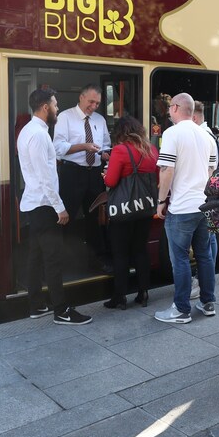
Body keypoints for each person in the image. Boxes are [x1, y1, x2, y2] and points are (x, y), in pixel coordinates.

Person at [17, 88, 91, 325]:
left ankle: (36, 304)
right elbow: (44, 177)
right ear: (45, 107)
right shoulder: (38, 135)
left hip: (35, 203)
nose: (58, 108)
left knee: (36, 257)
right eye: (56, 105)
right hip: (44, 205)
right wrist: (60, 208)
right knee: (53, 259)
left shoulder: (29, 131)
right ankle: (61, 310)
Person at [154, 93, 218, 324]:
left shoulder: (172, 133)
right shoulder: (207, 136)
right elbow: (212, 174)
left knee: (179, 258)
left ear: (175, 108)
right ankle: (208, 302)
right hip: (204, 205)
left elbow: (166, 170)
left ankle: (181, 309)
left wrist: (162, 202)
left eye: (170, 108)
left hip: (182, 208)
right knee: (205, 255)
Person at [102, 116, 158, 310]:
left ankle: (120, 297)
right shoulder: (151, 150)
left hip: (124, 211)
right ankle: (143, 293)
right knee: (140, 250)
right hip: (144, 208)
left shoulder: (120, 150)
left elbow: (110, 182)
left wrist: (105, 174)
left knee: (120, 253)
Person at [53, 84, 112, 268]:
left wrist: (105, 154)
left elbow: (105, 145)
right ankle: (64, 260)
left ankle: (97, 258)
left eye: (97, 103)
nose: (94, 106)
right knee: (67, 216)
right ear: (81, 97)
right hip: (72, 172)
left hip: (94, 173)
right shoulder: (65, 117)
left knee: (95, 218)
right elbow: (58, 148)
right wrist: (84, 146)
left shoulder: (100, 120)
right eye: (91, 102)